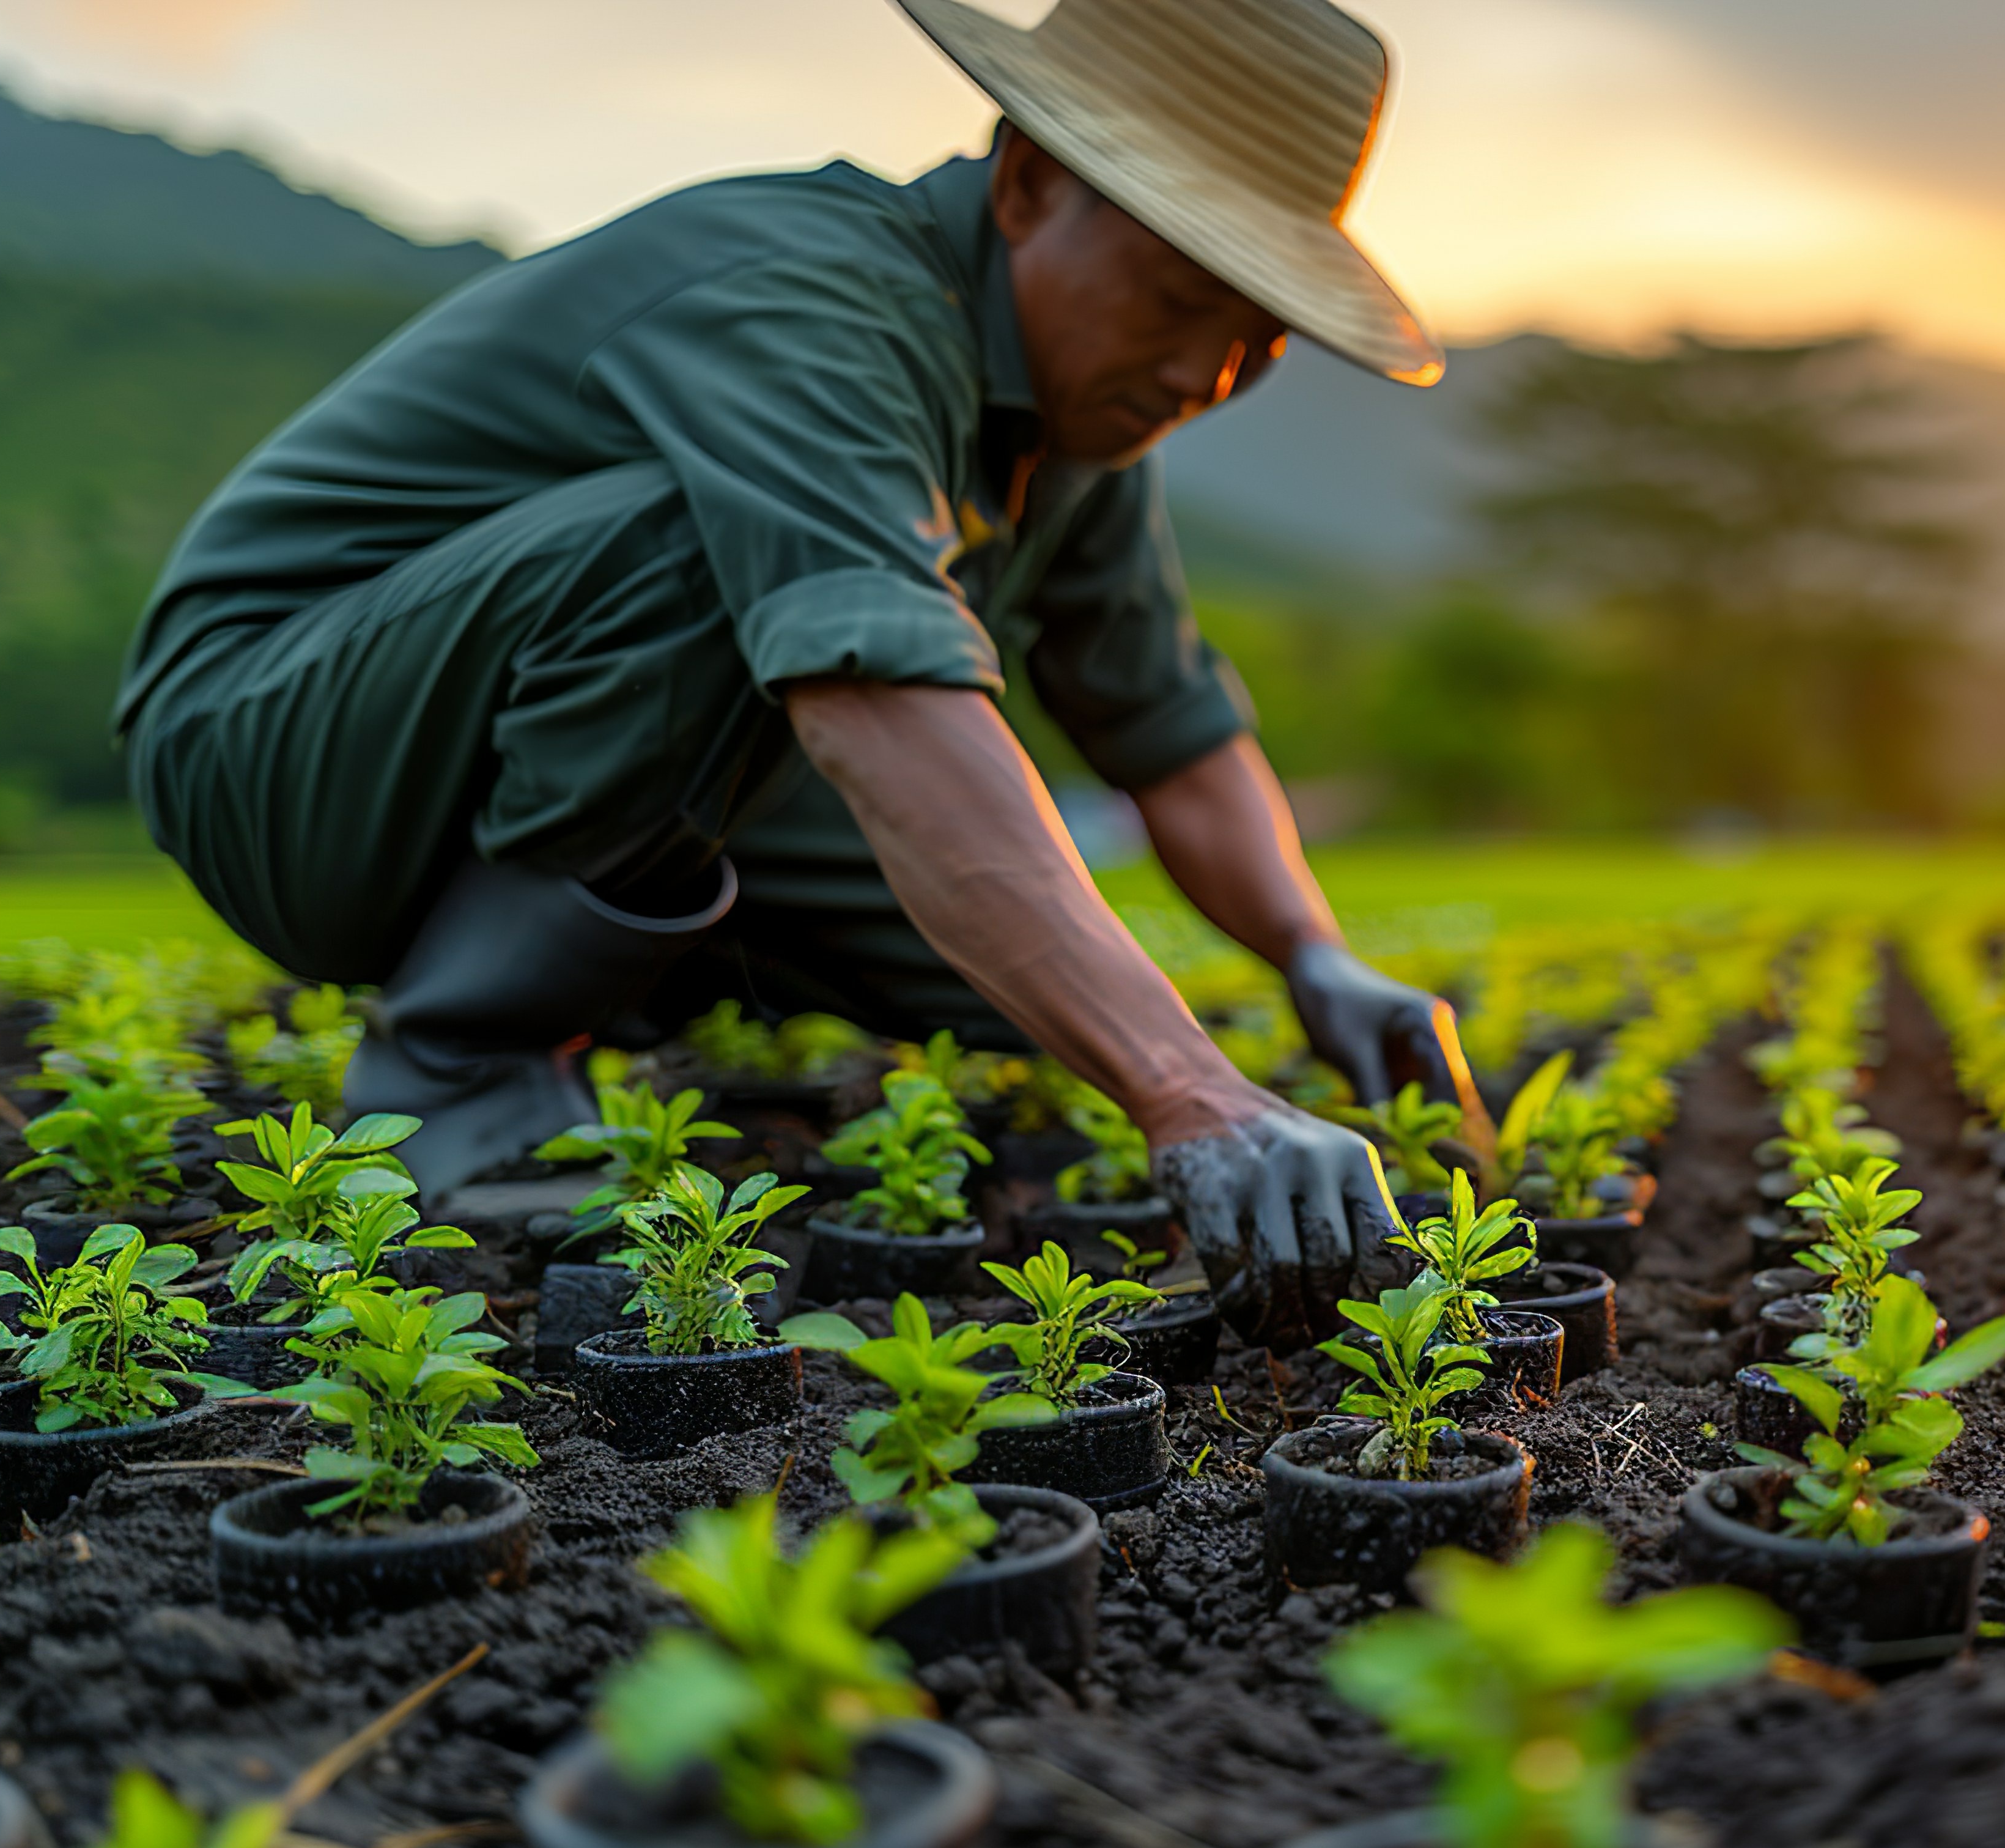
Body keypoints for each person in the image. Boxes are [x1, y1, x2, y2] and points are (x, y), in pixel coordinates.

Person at [111, 0, 1460, 1339]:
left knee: (1009, 996)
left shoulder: (1074, 426)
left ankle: (623, 989)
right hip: (273, 749)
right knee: (728, 552)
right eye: (1179, 300)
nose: (1203, 369)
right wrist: (1186, 1090)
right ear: (1033, 184)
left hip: (502, 766)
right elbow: (879, 698)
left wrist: (1312, 956)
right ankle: (467, 1070)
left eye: (1259, 339)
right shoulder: (817, 295)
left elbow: (1163, 725)